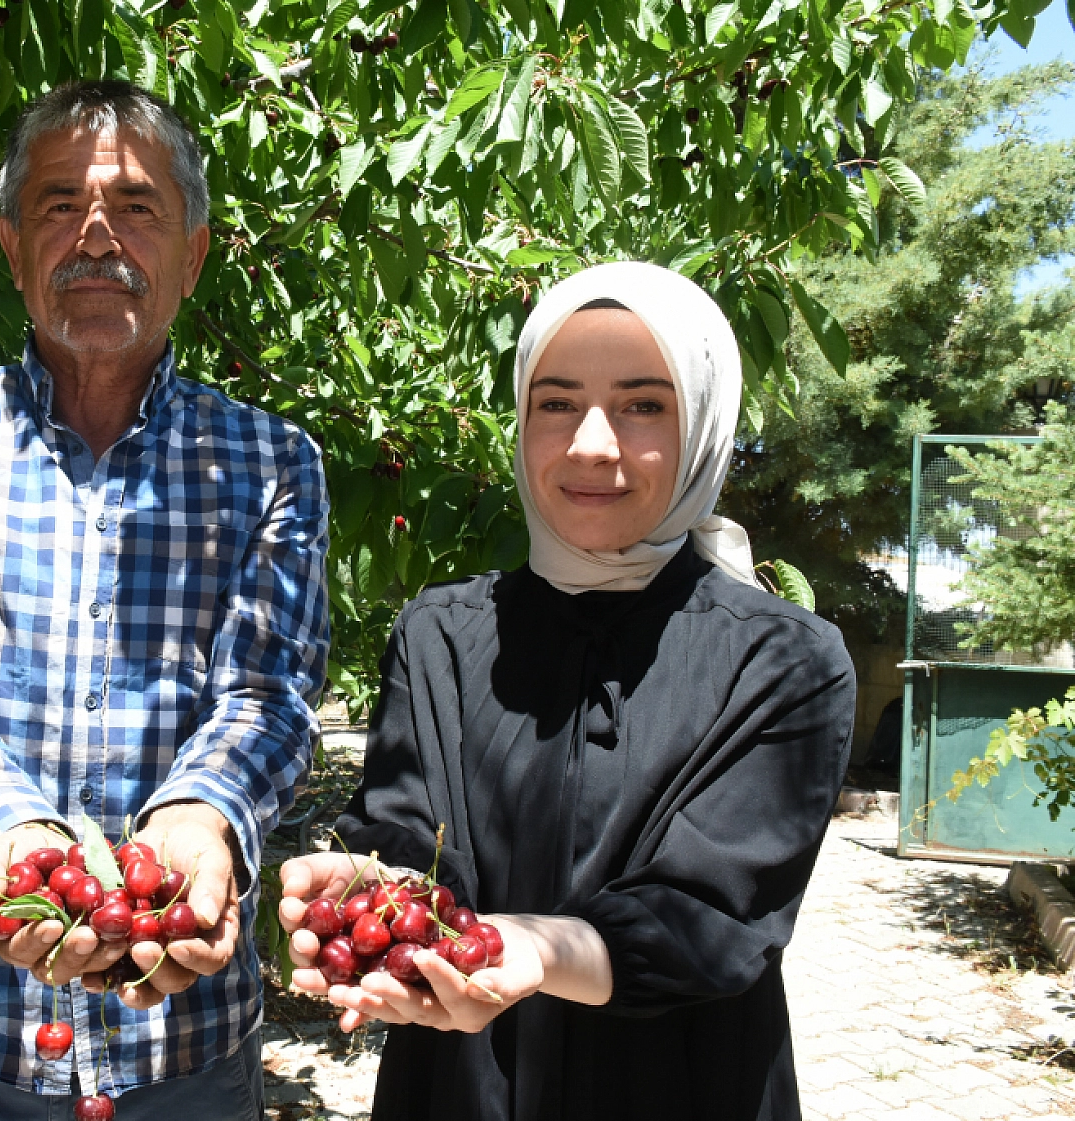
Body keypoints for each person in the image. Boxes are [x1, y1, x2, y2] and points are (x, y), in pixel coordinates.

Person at [0, 80, 330, 1119]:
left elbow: (269, 693)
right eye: (60, 204)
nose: (97, 235)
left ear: (192, 255)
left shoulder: (272, 463)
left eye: (137, 207)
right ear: (13, 246)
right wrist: (10, 830)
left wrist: (201, 817)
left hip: (181, 1045)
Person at [278, 262, 856, 1121]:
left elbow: (712, 911)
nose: (591, 443)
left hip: (688, 1088)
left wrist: (542, 950)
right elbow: (412, 831)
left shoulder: (783, 660)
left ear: (704, 423)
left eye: (643, 404)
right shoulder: (441, 633)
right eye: (556, 402)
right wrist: (380, 883)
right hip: (460, 1090)